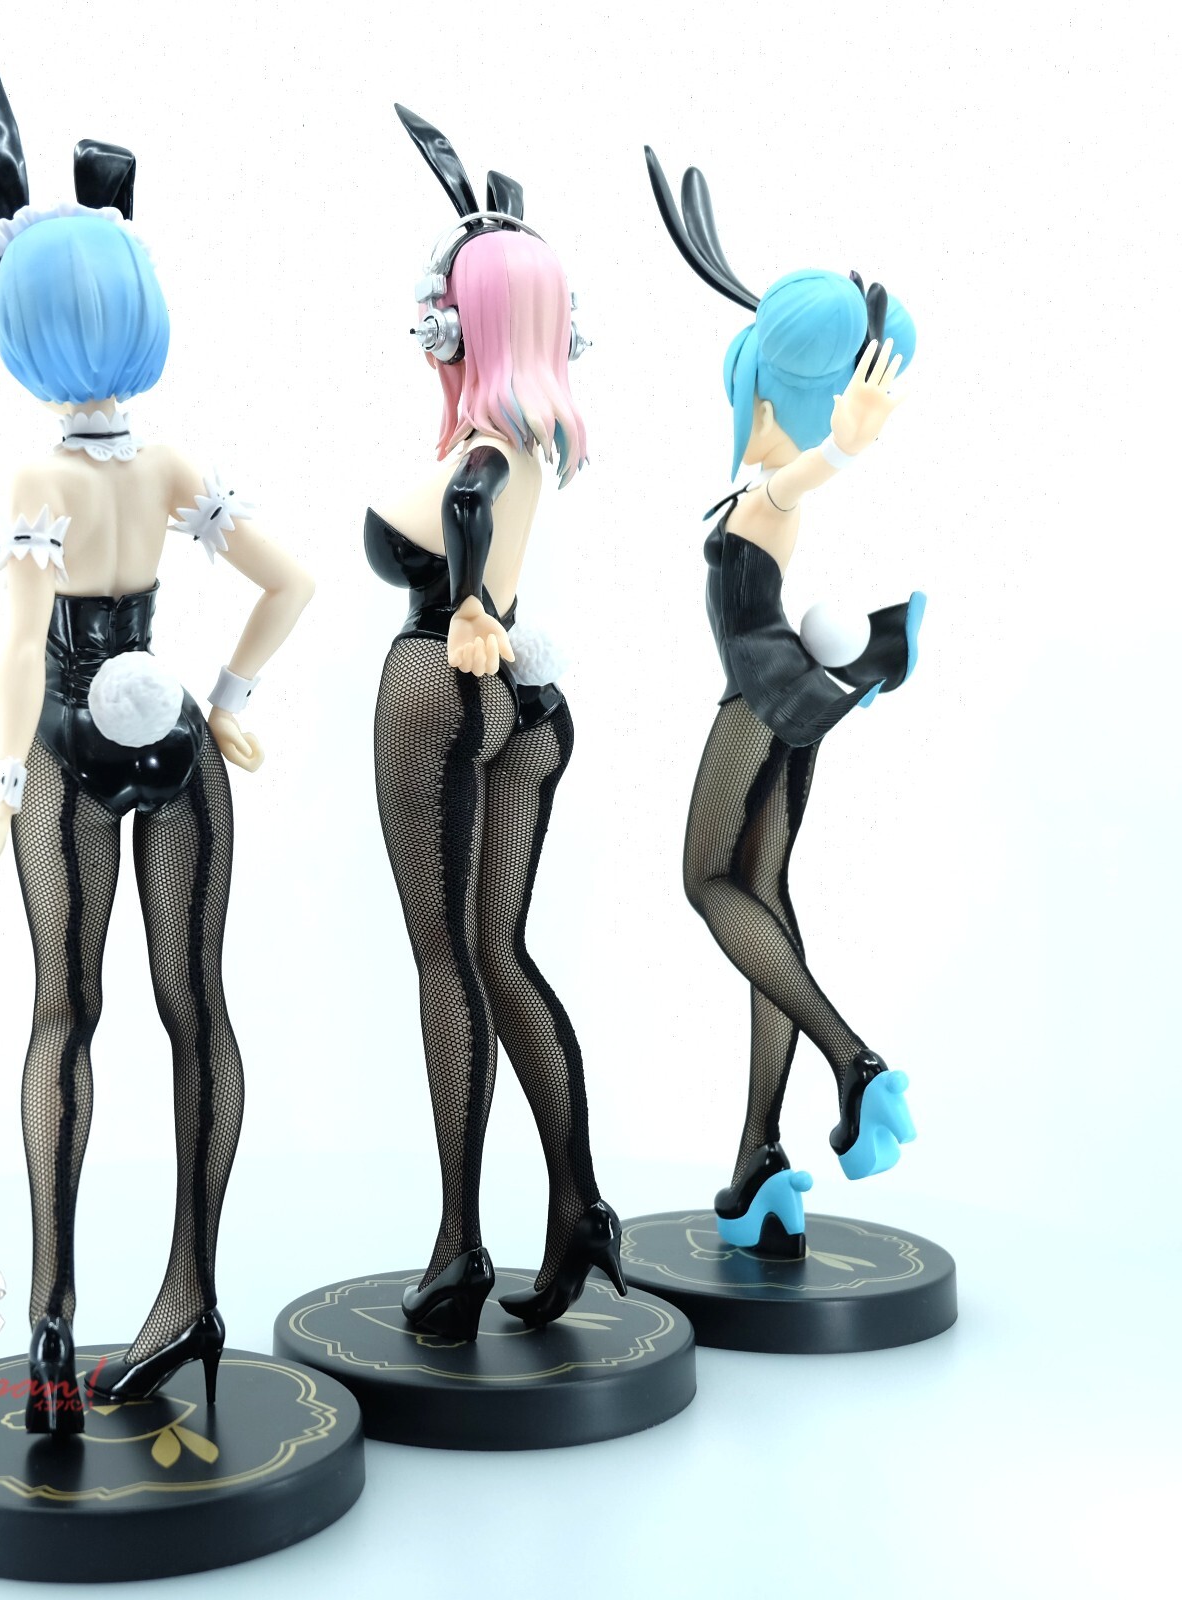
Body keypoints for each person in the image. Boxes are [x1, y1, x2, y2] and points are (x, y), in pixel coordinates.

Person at [0, 17, 314, 1432]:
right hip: (176, 747)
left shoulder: (39, 477)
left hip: (66, 742)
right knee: (194, 1010)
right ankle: (189, 1295)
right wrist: (228, 702)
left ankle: (53, 1321)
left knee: (65, 1015)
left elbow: (19, 639)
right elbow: (290, 581)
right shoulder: (165, 465)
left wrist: (0, 783)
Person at [366, 106, 622, 1341]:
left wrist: (465, 602)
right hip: (525, 703)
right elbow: (475, 496)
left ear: (465, 322)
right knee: (498, 952)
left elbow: (464, 503)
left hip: (446, 680)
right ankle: (578, 1205)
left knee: (447, 961)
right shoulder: (529, 436)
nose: (430, 326)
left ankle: (458, 1242)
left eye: (442, 311)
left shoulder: (484, 448)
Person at [644, 147, 922, 1259]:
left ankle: (856, 1065)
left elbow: (793, 481)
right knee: (759, 896)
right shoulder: (755, 480)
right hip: (782, 699)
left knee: (706, 882)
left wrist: (842, 448)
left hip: (757, 699)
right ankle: (760, 1162)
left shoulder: (770, 490)